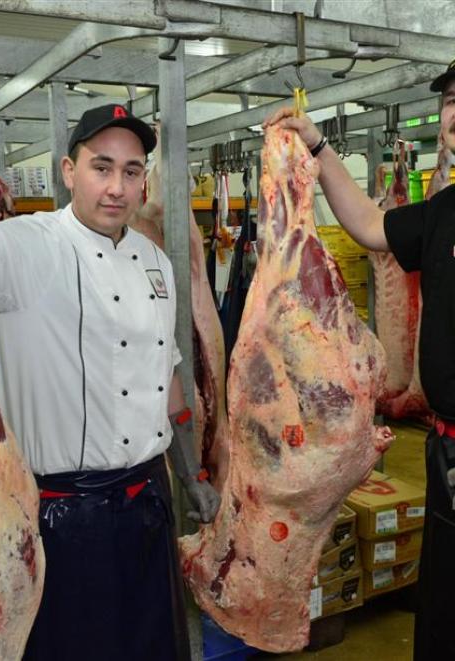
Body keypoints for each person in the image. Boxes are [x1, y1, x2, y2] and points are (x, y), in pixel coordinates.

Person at [0, 104, 221, 661]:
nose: (116, 187)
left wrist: (191, 472)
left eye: (131, 171)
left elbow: (164, 380)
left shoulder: (155, 261)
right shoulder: (30, 245)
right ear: (67, 170)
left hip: (149, 503)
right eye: (101, 167)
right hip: (61, 519)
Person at [263, 61, 455, 661]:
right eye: (451, 101)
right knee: (446, 609)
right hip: (446, 449)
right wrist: (318, 146)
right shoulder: (445, 209)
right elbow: (371, 225)